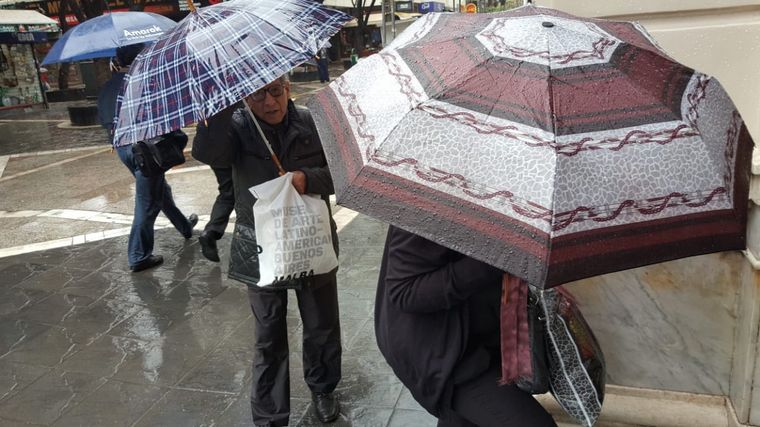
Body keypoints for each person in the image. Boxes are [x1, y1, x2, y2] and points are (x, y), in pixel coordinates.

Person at [201, 74, 342, 427]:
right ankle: (269, 414)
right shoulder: (236, 127)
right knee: (268, 335)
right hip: (259, 245)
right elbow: (207, 152)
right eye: (257, 95)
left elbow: (339, 174)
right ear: (246, 100)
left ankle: (323, 387)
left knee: (322, 324)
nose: (269, 102)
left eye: (275, 91)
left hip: (311, 238)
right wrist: (224, 104)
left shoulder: (311, 122)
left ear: (287, 88)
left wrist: (305, 179)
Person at [375, 226, 557, 427]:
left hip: (490, 333)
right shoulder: (435, 198)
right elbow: (404, 291)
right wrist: (499, 258)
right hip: (443, 350)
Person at [97, 43, 198, 272]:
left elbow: (104, 120)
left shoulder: (108, 87)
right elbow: (166, 119)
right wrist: (177, 141)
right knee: (147, 203)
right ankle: (139, 256)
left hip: (124, 149)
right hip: (147, 151)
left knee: (161, 191)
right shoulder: (146, 82)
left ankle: (184, 227)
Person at [191, 103, 239, 263]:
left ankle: (211, 232)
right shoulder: (233, 90)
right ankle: (213, 231)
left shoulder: (206, 92)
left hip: (210, 146)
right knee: (238, 191)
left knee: (228, 192)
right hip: (228, 146)